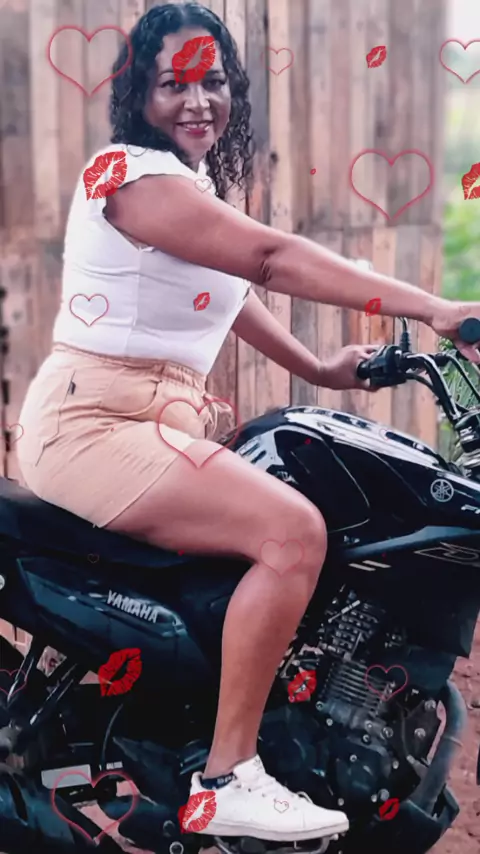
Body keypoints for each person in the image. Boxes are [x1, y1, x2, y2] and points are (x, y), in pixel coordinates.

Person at [17, 1, 480, 843]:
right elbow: (268, 257)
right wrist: (434, 307)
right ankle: (227, 776)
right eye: (173, 84)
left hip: (149, 422)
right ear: (138, 95)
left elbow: (228, 296)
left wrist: (322, 369)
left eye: (212, 82)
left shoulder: (187, 190)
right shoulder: (127, 175)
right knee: (293, 534)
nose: (197, 100)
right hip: (94, 425)